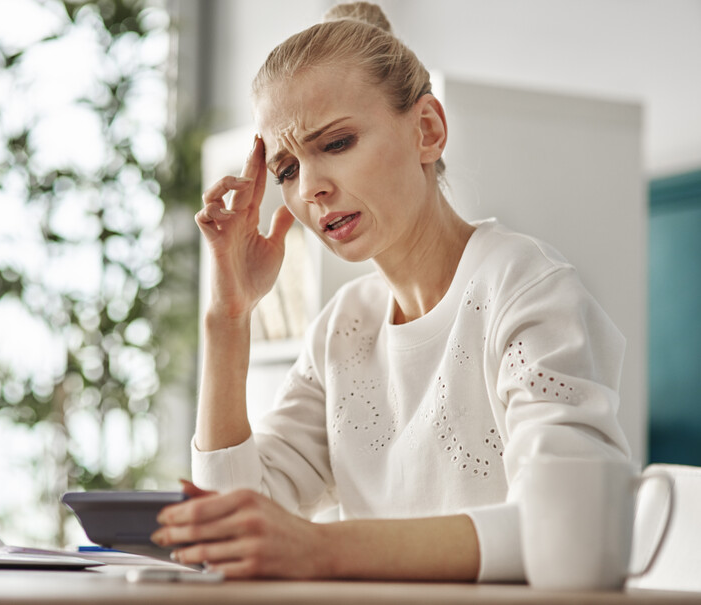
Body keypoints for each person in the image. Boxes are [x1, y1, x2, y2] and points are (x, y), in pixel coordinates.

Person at [151, 1, 630, 581]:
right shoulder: (343, 327)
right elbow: (228, 529)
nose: (311, 188)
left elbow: (568, 528)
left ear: (428, 130)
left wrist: (321, 549)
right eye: (287, 170)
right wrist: (228, 319)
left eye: (336, 143)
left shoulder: (526, 289)